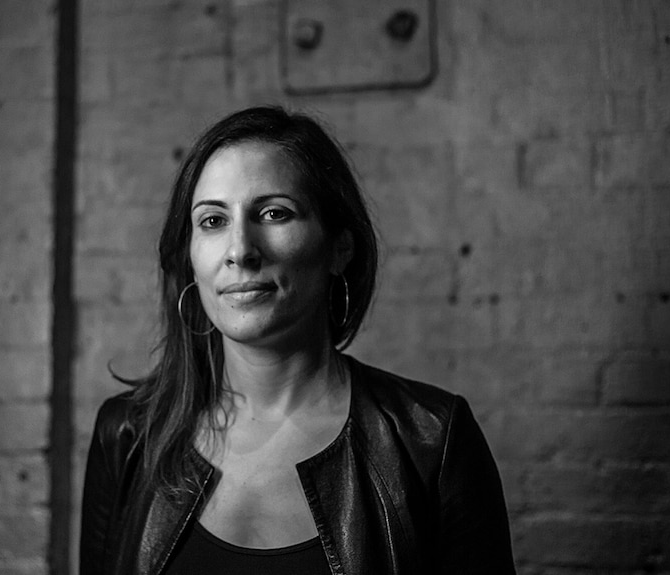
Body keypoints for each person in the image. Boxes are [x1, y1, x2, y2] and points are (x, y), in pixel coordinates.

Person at [80, 106, 516, 574]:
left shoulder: (431, 441)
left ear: (339, 248)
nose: (240, 250)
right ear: (189, 258)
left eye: (273, 213)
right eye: (212, 221)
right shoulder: (127, 437)